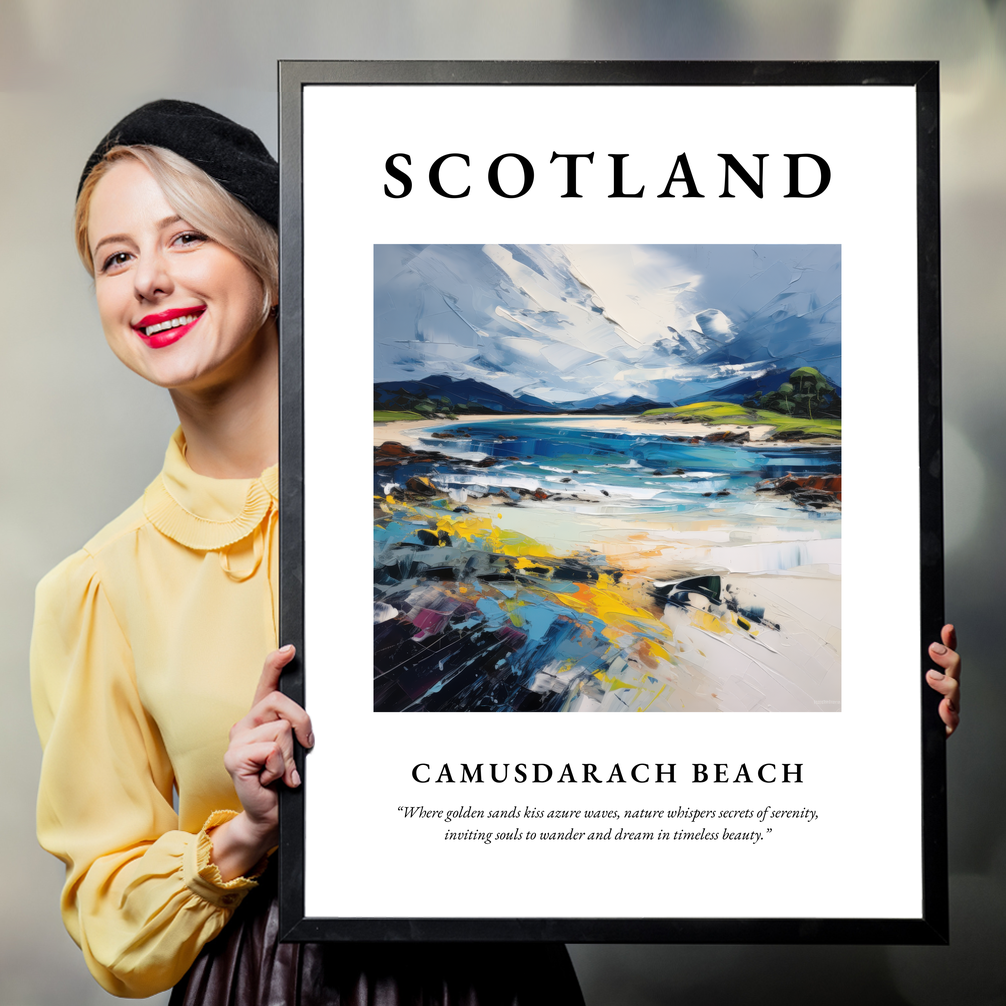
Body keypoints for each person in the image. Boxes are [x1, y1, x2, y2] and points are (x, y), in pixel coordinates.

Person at [30, 100, 585, 1004]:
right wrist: (245, 832)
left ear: (273, 264)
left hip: (492, 973)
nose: (148, 281)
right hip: (263, 981)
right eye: (116, 257)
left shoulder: (445, 505)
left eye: (185, 239)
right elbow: (110, 925)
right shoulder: (97, 586)